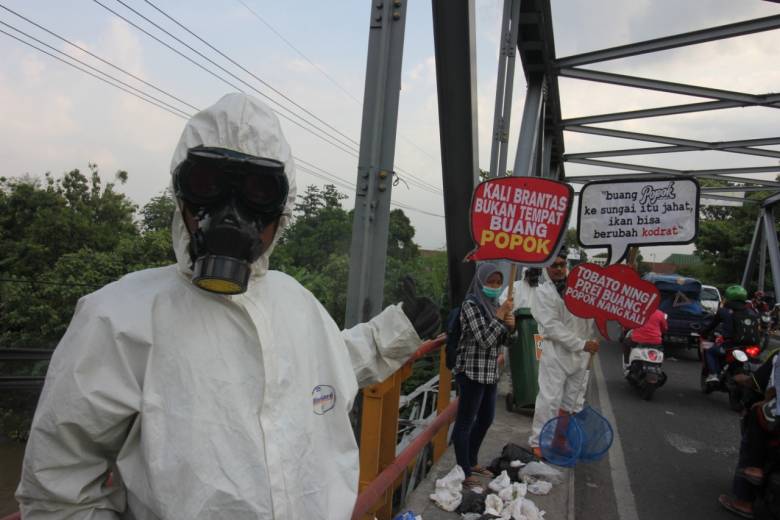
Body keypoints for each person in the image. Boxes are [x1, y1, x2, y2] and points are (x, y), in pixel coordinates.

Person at [16, 93, 441, 519]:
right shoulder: (118, 319)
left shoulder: (295, 301)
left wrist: (396, 332)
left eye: (257, 192)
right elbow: (57, 492)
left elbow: (328, 372)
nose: (230, 215)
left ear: (281, 209)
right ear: (182, 197)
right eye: (208, 186)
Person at [528, 247, 600, 458]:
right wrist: (581, 344)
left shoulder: (581, 289)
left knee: (572, 401)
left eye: (562, 265)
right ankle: (539, 441)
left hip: (582, 354)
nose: (559, 269)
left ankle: (559, 440)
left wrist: (593, 336)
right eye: (554, 265)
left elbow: (591, 315)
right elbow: (551, 327)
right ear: (546, 267)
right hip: (555, 353)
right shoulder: (543, 293)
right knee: (549, 399)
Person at [451, 262, 515, 489]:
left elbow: (503, 342)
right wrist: (499, 317)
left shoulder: (495, 303)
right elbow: (485, 339)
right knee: (465, 422)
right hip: (471, 371)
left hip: (490, 372)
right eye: (491, 282)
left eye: (498, 282)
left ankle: (472, 460)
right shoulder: (471, 305)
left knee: (486, 419)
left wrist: (510, 327)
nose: (495, 286)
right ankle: (463, 470)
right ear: (480, 281)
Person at [719, 352, 780, 518]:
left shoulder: (777, 355)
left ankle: (743, 502)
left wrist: (743, 380)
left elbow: (759, 383)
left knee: (756, 418)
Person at [701, 284, 759, 385]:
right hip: (750, 346)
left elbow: (712, 325)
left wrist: (703, 333)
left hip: (730, 345)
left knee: (709, 351)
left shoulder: (723, 311)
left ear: (728, 297)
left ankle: (713, 375)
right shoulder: (752, 312)